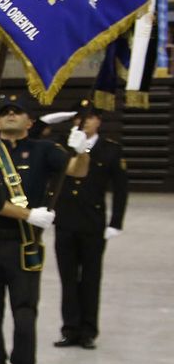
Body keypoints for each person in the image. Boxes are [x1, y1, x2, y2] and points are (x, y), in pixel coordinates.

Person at [0, 94, 89, 364]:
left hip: (23, 245)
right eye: (4, 112)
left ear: (30, 122)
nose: (9, 116)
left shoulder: (44, 150)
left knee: (24, 316)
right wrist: (27, 215)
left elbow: (76, 171)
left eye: (17, 112)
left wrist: (83, 147)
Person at [49, 99, 129, 350]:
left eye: (91, 117)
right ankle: (70, 328)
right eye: (80, 118)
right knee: (68, 278)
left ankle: (88, 331)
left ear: (99, 121)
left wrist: (115, 222)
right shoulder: (63, 146)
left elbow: (121, 189)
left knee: (91, 279)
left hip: (93, 223)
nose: (85, 122)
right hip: (65, 221)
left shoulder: (110, 149)